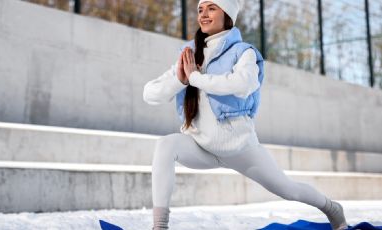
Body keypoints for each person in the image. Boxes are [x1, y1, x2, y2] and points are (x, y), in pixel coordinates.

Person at [142, 0, 348, 229]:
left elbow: (243, 84)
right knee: (165, 145)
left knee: (288, 189)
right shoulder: (189, 54)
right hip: (201, 147)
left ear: (227, 14)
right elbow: (150, 94)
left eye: (212, 8)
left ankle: (331, 208)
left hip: (240, 148)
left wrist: (195, 79)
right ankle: (159, 226)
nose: (204, 15)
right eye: (201, 9)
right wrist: (179, 80)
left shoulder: (244, 52)